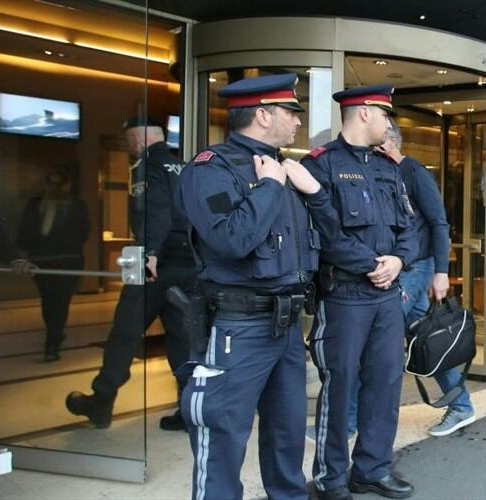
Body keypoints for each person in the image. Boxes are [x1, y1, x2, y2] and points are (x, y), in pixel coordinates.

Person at [176, 74, 322, 500]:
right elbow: (232, 239)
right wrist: (270, 187)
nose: (297, 122)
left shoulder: (285, 167)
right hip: (239, 327)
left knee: (287, 434)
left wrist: (304, 188)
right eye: (290, 112)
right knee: (222, 437)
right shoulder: (211, 169)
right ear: (262, 114)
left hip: (288, 326)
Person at [302, 85, 416, 500]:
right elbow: (325, 234)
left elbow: (410, 228)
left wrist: (399, 261)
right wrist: (373, 265)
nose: (389, 124)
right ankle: (331, 478)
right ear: (364, 113)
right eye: (385, 116)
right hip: (345, 295)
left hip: (387, 297)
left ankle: (371, 468)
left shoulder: (388, 168)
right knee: (340, 384)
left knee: (386, 382)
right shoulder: (320, 166)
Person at [65, 117, 194, 431]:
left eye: (129, 141)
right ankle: (188, 410)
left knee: (124, 334)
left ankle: (101, 401)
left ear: (138, 139)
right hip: (187, 266)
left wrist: (149, 251)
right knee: (182, 340)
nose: (129, 147)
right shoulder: (183, 166)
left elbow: (156, 211)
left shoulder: (146, 167)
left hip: (154, 268)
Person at [380, 119, 475, 437]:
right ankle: (461, 405)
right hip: (400, 269)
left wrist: (441, 271)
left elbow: (438, 222)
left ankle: (352, 419)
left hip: (415, 269)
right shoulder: (385, 173)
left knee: (377, 335)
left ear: (391, 141)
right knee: (427, 341)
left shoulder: (414, 172)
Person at [12, 169, 89, 362]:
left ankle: (53, 339)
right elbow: (24, 233)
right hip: (47, 261)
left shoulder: (75, 206)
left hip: (64, 260)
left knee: (58, 301)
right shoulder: (38, 205)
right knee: (52, 300)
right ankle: (54, 336)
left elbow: (82, 233)